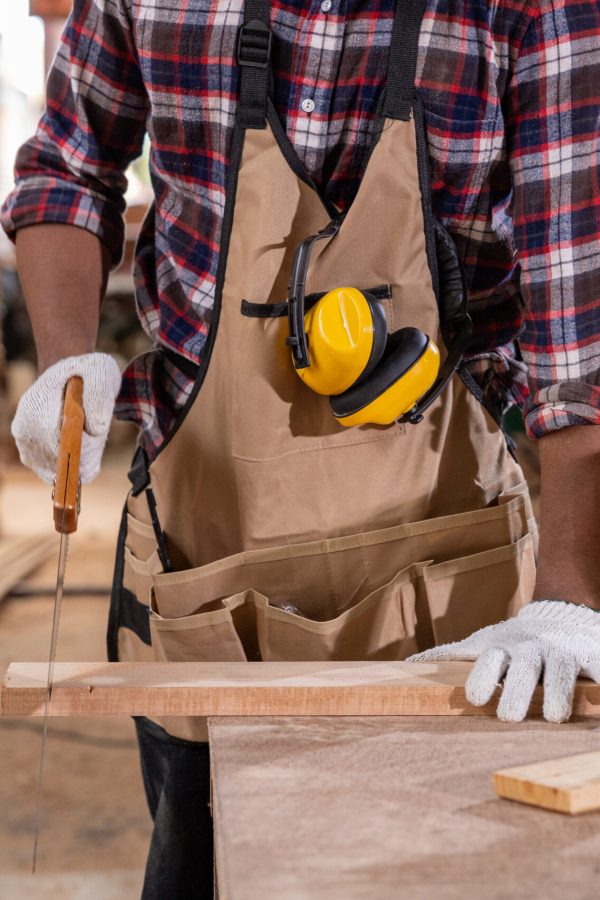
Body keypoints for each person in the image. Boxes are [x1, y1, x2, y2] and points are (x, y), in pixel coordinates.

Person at [4, 0, 600, 896]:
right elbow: (65, 168)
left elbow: (581, 339)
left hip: (456, 609)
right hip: (200, 588)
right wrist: (63, 363)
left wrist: (572, 594)